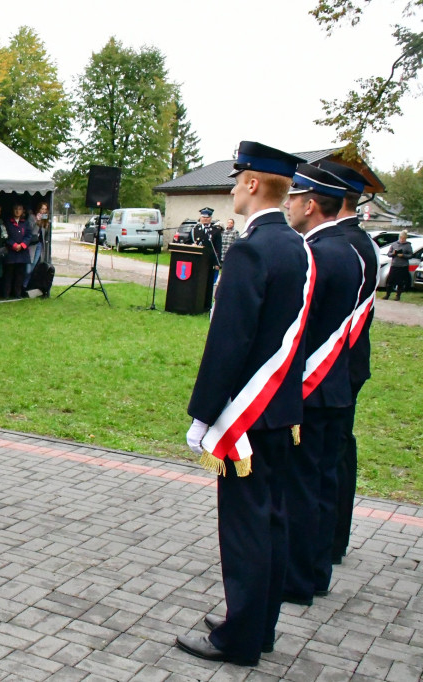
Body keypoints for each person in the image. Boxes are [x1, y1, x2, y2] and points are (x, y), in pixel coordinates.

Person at [177, 142, 310, 667]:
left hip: (247, 416)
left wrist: (204, 413)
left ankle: (238, 640)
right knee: (272, 520)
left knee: (245, 528)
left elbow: (228, 341)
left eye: (236, 180)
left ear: (253, 184)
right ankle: (259, 624)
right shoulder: (297, 246)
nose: (231, 189)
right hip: (281, 409)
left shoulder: (251, 249)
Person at [281, 163, 362, 606]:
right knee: (323, 482)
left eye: (294, 198)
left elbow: (302, 327)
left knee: (301, 487)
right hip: (335, 385)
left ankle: (296, 579)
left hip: (311, 384)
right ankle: (315, 572)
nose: (289, 204)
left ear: (310, 204)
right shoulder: (346, 249)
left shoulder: (315, 253)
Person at [314, 161, 378, 564]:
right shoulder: (361, 241)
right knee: (338, 451)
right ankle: (332, 538)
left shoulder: (344, 244)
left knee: (328, 457)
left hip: (333, 364)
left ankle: (326, 541)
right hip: (348, 362)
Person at [3, 203, 31, 298]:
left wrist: (22, 245)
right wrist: (13, 244)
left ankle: (17, 294)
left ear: (23, 211)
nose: (17, 211)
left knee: (20, 275)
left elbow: (29, 235)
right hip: (11, 252)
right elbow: (5, 235)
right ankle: (6, 294)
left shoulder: (26, 222)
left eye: (19, 209)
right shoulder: (7, 222)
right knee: (8, 274)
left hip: (22, 252)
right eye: (15, 208)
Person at [384, 230, 413, 300]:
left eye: (404, 238)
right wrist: (393, 254)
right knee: (390, 281)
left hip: (403, 266)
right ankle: (387, 295)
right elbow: (388, 254)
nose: (402, 239)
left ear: (406, 238)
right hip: (394, 265)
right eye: (401, 238)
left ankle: (398, 296)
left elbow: (411, 255)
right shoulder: (394, 244)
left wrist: (403, 255)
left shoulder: (408, 245)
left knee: (401, 282)